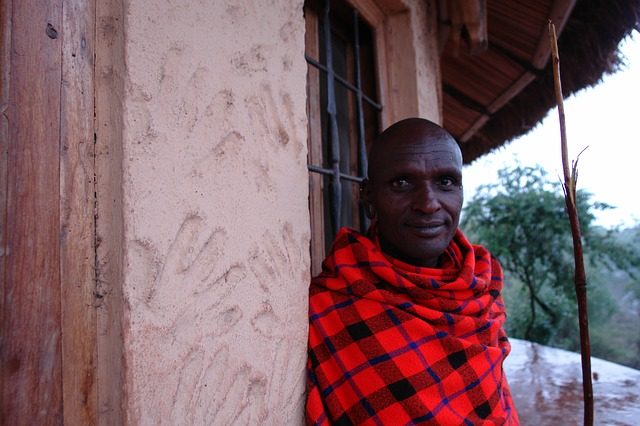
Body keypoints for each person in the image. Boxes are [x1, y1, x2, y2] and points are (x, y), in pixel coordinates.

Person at [306, 118, 519, 425]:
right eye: (402, 183)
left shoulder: (482, 286)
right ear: (368, 197)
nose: (429, 204)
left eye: (446, 181)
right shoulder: (333, 306)